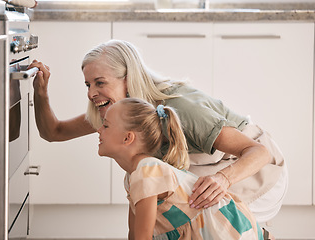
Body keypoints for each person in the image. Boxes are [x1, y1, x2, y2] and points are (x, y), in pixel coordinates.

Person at [29, 39, 287, 223]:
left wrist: (224, 179)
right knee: (152, 180)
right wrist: (40, 92)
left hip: (257, 170)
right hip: (212, 166)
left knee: (171, 192)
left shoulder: (180, 107)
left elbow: (258, 152)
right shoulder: (117, 112)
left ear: (128, 79)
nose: (91, 93)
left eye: (100, 83)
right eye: (88, 84)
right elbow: (55, 132)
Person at [97, 97, 271, 240]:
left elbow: (142, 238)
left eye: (105, 125)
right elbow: (134, 235)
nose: (99, 130)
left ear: (128, 138)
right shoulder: (132, 176)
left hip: (227, 229)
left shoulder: (146, 170)